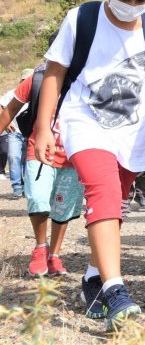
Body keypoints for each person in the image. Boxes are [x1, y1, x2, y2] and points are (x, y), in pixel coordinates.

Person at [34, 0, 145, 330]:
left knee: (112, 206)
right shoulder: (81, 18)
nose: (131, 7)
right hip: (83, 121)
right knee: (102, 192)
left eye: (140, 1)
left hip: (132, 132)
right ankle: (116, 289)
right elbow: (54, 72)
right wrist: (41, 127)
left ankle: (93, 278)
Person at [0, 57, 85, 279]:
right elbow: (11, 108)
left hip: (73, 156)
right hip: (38, 152)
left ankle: (55, 254)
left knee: (63, 208)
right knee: (38, 198)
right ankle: (40, 248)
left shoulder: (87, 79)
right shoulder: (37, 79)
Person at [1, 68, 34, 197]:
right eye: (24, 80)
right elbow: (1, 105)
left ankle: (27, 187)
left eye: (29, 80)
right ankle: (17, 188)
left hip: (30, 132)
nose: (27, 83)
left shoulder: (39, 93)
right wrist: (6, 123)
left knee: (28, 161)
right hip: (15, 132)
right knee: (14, 158)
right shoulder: (13, 93)